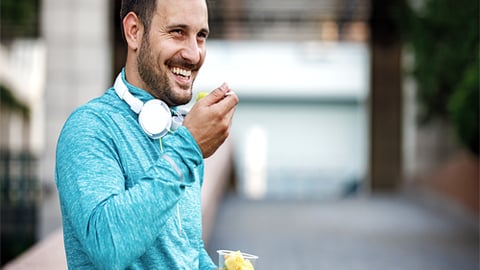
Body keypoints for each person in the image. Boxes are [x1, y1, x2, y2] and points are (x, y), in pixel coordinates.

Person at [55, 0, 238, 269]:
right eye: (177, 31)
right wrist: (189, 148)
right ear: (133, 31)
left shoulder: (181, 131)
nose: (194, 54)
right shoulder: (89, 128)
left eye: (200, 36)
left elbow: (187, 248)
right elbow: (109, 248)